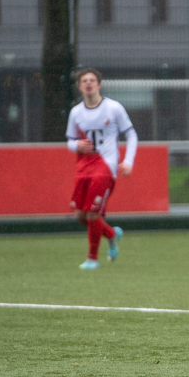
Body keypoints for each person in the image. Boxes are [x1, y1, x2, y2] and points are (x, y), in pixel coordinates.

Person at [65, 68, 136, 270]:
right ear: (80, 87)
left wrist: (128, 161)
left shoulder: (113, 108)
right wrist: (76, 146)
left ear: (99, 84)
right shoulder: (76, 113)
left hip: (105, 167)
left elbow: (131, 135)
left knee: (93, 215)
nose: (88, 83)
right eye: (84, 80)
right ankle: (112, 235)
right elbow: (70, 140)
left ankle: (92, 259)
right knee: (80, 216)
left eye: (92, 80)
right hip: (83, 169)